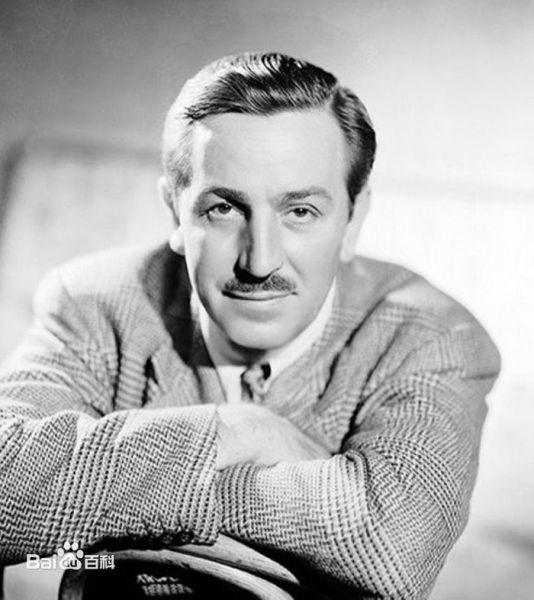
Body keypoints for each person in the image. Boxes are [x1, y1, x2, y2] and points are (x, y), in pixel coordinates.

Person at [0, 52, 500, 598]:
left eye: (300, 211)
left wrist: (99, 497)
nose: (259, 262)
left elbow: (392, 551)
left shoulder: (432, 336)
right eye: (223, 209)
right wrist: (240, 431)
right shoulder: (96, 302)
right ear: (174, 213)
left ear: (354, 219)